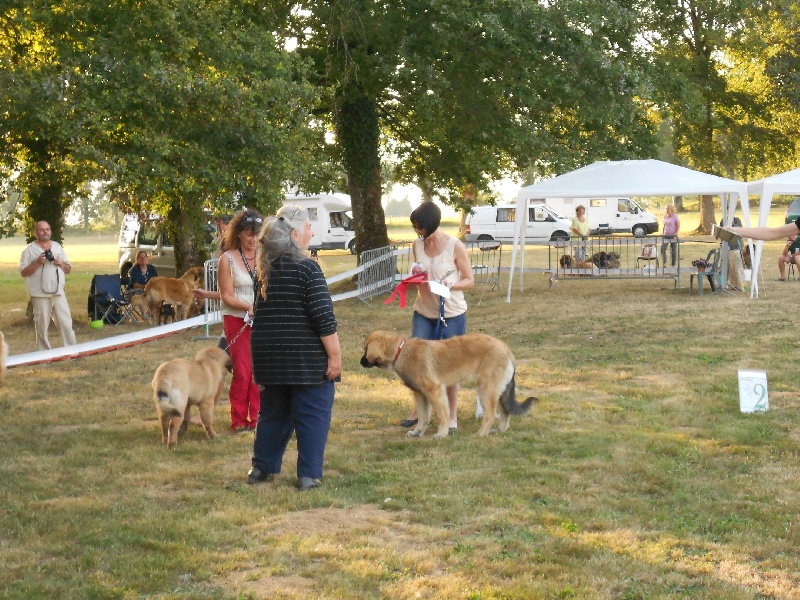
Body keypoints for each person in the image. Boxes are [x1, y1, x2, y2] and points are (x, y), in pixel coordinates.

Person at [247, 205, 341, 491]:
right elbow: (323, 318)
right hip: (305, 358)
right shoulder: (307, 268)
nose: (312, 232)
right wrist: (335, 356)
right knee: (312, 412)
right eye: (309, 227)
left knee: (273, 413)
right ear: (296, 233)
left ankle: (260, 469)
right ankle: (308, 476)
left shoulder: (265, 270)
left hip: (269, 355)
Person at [399, 202, 474, 434]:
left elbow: (469, 280)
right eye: (414, 226)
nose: (417, 230)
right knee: (416, 364)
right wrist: (414, 276)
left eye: (419, 226)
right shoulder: (417, 245)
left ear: (431, 224)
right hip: (423, 311)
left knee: (449, 365)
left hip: (451, 314)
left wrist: (452, 285)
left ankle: (451, 416)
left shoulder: (454, 246)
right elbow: (420, 271)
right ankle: (419, 412)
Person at [193, 210, 262, 433]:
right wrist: (248, 307)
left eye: (257, 235)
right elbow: (227, 295)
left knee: (259, 371)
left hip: (261, 319)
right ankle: (239, 420)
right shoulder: (228, 259)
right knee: (243, 371)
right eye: (249, 234)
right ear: (239, 234)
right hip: (237, 320)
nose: (253, 239)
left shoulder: (263, 257)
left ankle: (257, 419)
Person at [19, 220, 77, 350]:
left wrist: (61, 263)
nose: (45, 232)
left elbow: (68, 269)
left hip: (58, 293)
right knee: (41, 325)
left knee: (66, 323)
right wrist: (38, 262)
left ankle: (72, 350)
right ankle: (44, 353)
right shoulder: (29, 251)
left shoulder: (57, 247)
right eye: (41, 230)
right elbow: (23, 272)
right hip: (39, 294)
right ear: (35, 233)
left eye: (47, 229)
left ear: (50, 231)